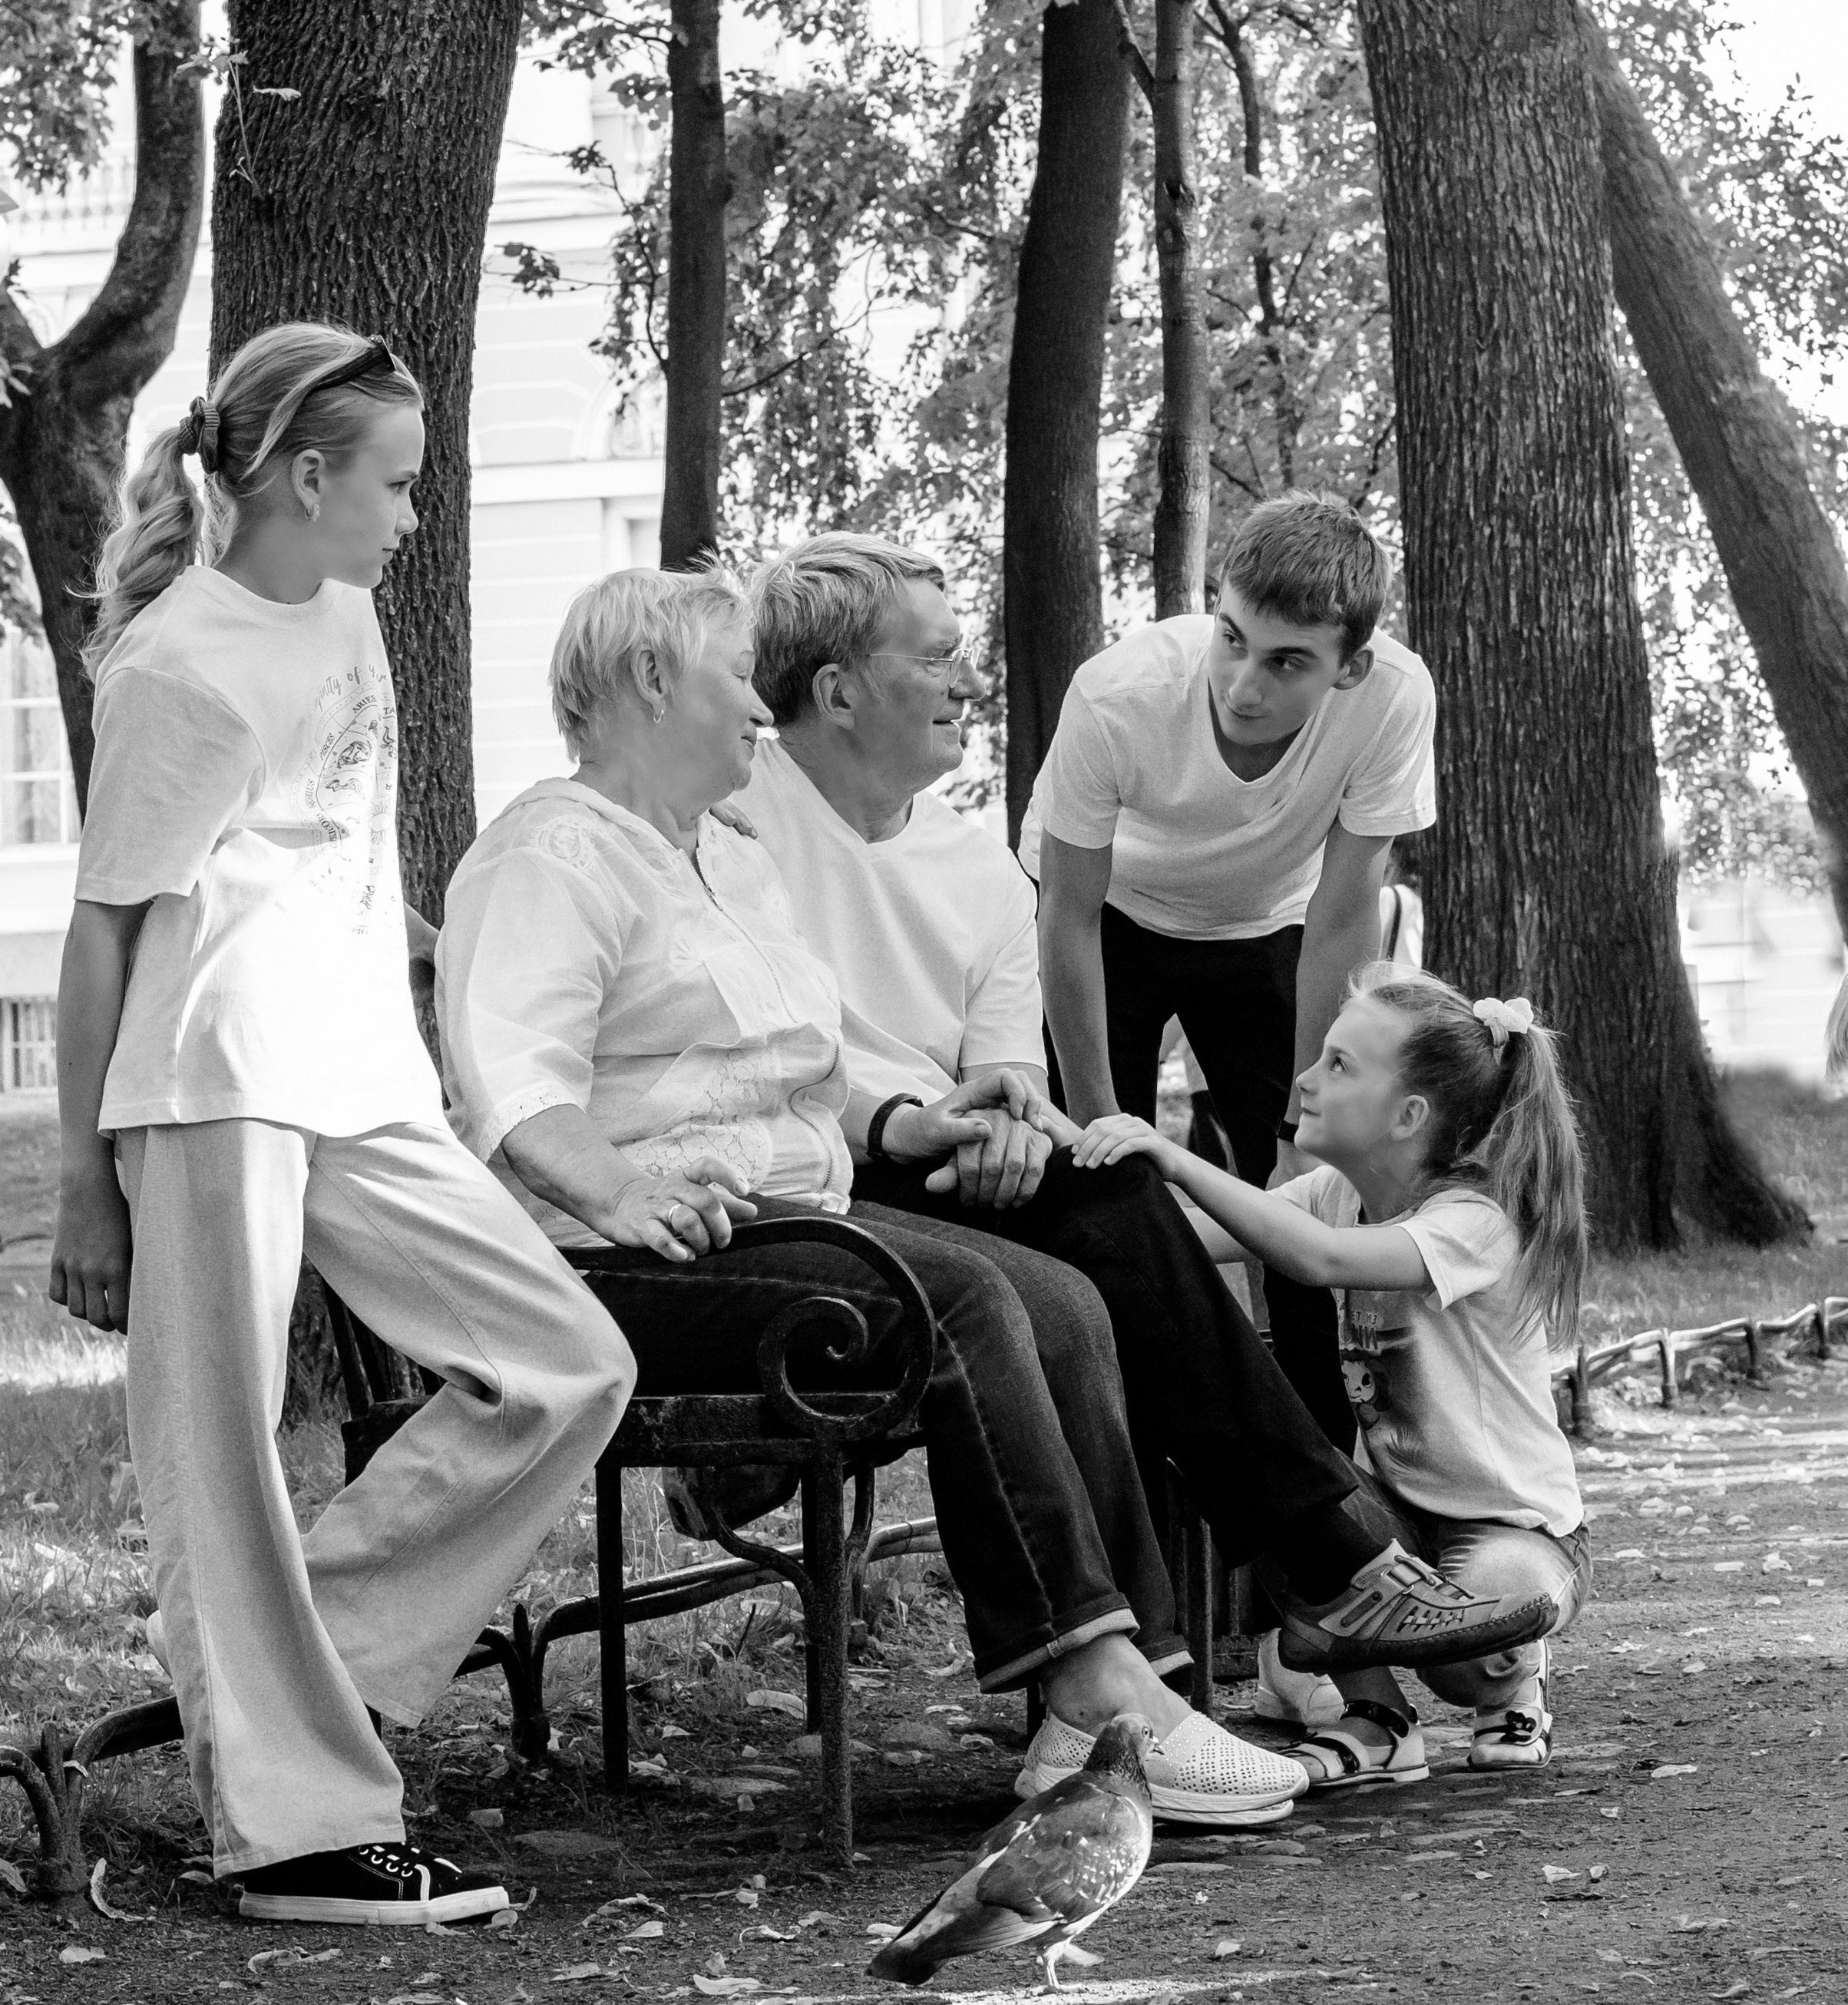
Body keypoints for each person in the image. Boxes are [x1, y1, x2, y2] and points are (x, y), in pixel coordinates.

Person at [438, 563, 1553, 1825]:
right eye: (733, 686)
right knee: (967, 1294)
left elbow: (817, 1062)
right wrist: (620, 1184)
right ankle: (1105, 1688)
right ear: (649, 682)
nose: (757, 714)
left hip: (776, 1216)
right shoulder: (552, 852)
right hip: (629, 1250)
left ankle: (1150, 1693)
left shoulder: (717, 862)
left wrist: (916, 1116)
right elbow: (511, 1078)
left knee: (1065, 1285)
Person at [49, 324, 633, 1927]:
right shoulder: (180, 658)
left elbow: (341, 860)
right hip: (213, 1079)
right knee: (218, 1463)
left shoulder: (354, 617)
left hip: (361, 1071)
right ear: (307, 479)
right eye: (396, 483)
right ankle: (299, 1832)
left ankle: (281, 1666)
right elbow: (104, 930)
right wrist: (81, 1190)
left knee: (564, 1360)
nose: (413, 515)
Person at [1073, 967, 1592, 1780]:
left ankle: (1511, 1683)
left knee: (1461, 1650)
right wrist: (1068, 1169)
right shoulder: (1333, 1191)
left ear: (1408, 1115)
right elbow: (1180, 1236)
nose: (1305, 1081)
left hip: (1509, 1527)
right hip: (1391, 1514)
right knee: (1280, 1486)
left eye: (1340, 1065)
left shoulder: (1474, 1221)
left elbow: (1315, 1261)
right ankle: (1379, 1718)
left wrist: (1170, 1153)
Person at [1023, 491, 1436, 1451]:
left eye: (1287, 661)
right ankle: (1110, 1440)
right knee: (1093, 1187)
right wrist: (1098, 1121)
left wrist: (1302, 1122)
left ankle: (1323, 1463)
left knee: (1303, 1179)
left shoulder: (1393, 702)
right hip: (1109, 921)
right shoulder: (1117, 694)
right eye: (1232, 639)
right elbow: (1065, 913)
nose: (1245, 683)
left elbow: (1343, 917)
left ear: (1350, 668)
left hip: (1266, 923)